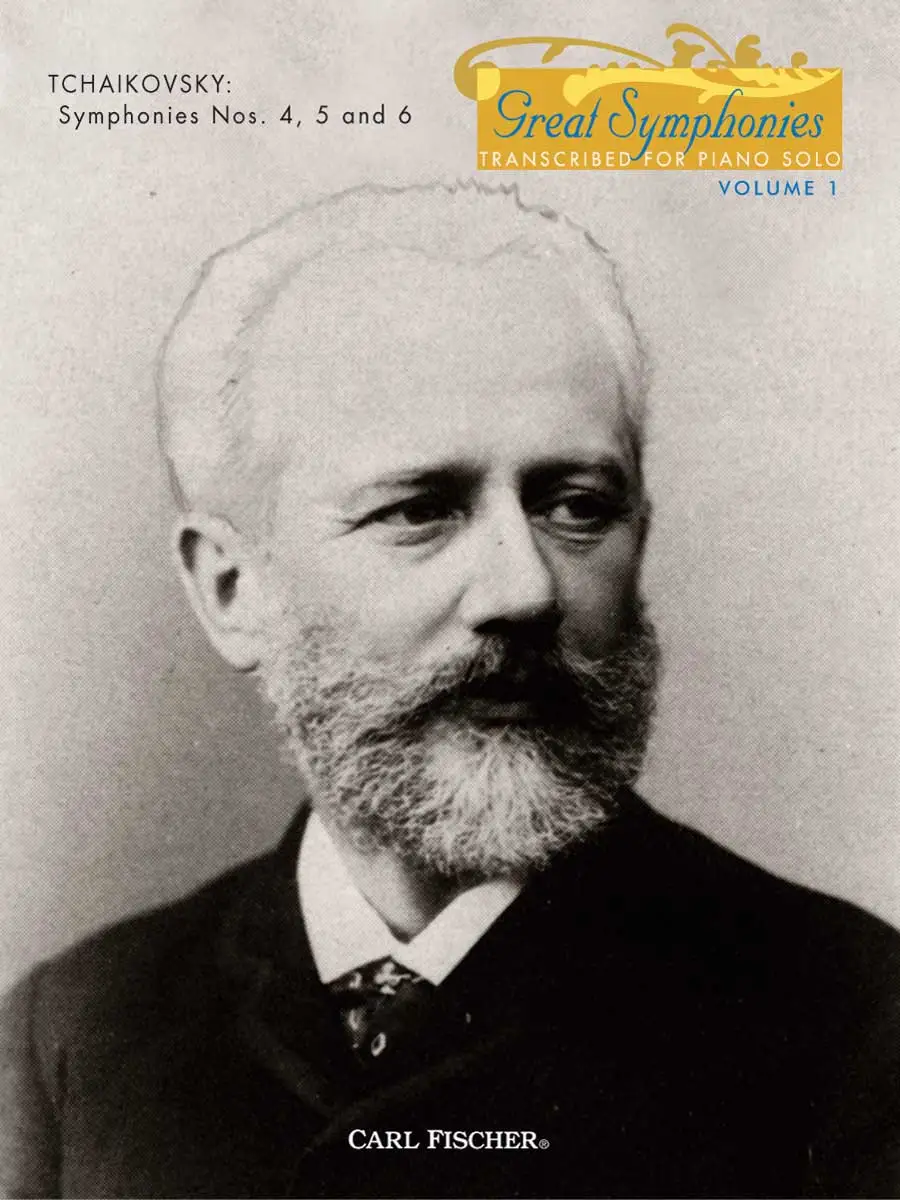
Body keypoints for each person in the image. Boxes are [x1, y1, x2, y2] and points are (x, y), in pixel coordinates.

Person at [1, 181, 897, 1199]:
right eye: (419, 510)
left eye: (576, 505)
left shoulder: (855, 1023)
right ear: (232, 590)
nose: (524, 590)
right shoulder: (71, 1033)